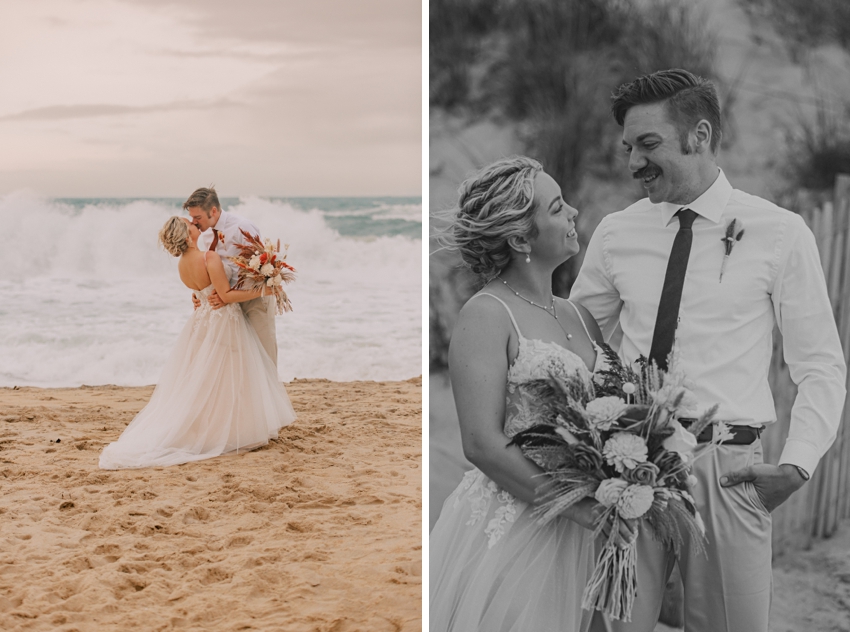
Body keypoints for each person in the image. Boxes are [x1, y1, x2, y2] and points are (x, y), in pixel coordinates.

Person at [570, 68, 847, 632]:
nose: (633, 163)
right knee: (611, 626)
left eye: (649, 144)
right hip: (631, 468)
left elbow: (820, 362)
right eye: (627, 148)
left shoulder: (780, 231)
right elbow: (577, 340)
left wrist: (797, 464)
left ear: (699, 135)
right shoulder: (616, 232)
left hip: (728, 473)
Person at [430, 156, 634, 632]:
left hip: (589, 527)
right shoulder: (486, 315)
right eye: (558, 207)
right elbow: (481, 442)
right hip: (519, 522)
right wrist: (580, 508)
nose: (574, 214)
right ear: (520, 239)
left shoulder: (579, 316)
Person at [99, 217, 296, 469]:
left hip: (201, 323)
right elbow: (225, 296)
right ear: (188, 234)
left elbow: (201, 288)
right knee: (233, 375)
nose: (194, 223)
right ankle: (236, 430)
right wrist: (263, 291)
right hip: (225, 321)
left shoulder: (183, 265)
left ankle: (216, 426)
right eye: (190, 224)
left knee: (210, 378)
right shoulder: (209, 259)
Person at [185, 187, 279, 366]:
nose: (194, 222)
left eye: (198, 217)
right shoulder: (205, 236)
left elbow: (263, 267)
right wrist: (201, 293)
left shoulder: (242, 227)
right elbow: (213, 271)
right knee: (238, 360)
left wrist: (228, 296)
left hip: (254, 300)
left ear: (213, 211)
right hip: (229, 307)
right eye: (192, 217)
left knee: (264, 355)